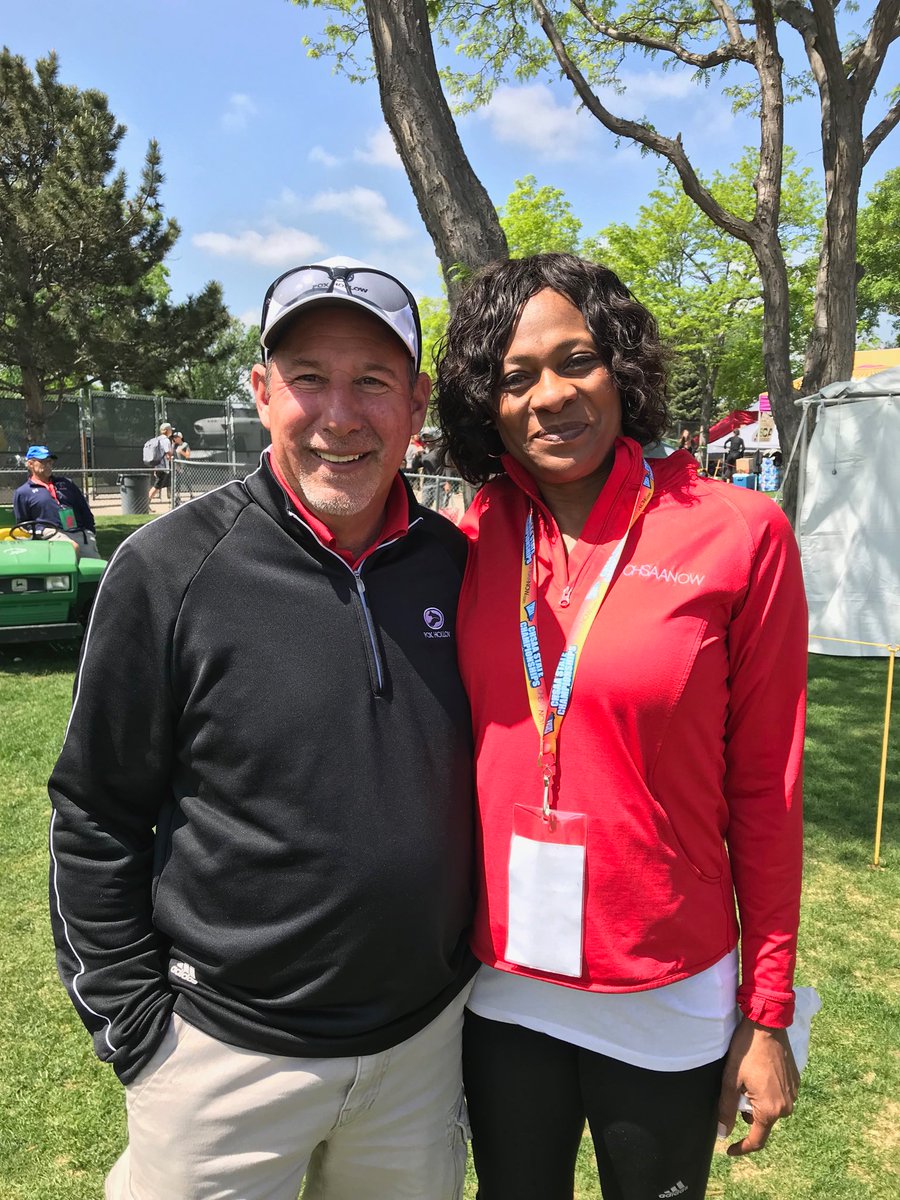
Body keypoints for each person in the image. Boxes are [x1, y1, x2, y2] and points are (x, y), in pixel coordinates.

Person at [49, 255, 476, 1200]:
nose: (339, 415)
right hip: (222, 1059)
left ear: (417, 401)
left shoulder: (461, 565)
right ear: (260, 391)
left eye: (372, 380)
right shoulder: (169, 567)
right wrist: (136, 1027)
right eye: (308, 379)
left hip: (420, 1049)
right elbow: (93, 812)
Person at [435, 253, 806, 1200]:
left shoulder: (738, 532)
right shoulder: (470, 539)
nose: (551, 396)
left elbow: (768, 791)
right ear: (486, 401)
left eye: (578, 360)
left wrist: (766, 1015)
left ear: (622, 370)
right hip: (503, 980)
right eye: (516, 376)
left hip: (666, 979)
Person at [12, 445, 100, 558]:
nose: (48, 465)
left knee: (97, 569)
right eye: (43, 461)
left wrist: (90, 532)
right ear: (30, 464)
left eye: (50, 461)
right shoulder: (23, 492)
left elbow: (84, 509)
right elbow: (23, 522)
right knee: (72, 548)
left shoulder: (67, 484)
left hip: (79, 532)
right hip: (50, 532)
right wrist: (40, 531)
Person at [147, 421, 174, 501]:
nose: (171, 431)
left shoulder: (158, 439)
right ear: (166, 430)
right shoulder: (165, 440)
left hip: (159, 466)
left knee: (160, 486)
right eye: (170, 430)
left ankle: (146, 503)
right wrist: (172, 457)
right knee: (157, 486)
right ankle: (144, 503)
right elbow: (168, 453)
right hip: (163, 467)